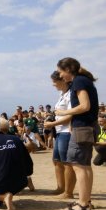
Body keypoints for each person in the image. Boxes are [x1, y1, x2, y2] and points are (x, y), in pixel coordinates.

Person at [56, 57, 98, 210]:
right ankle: (85, 200)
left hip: (82, 128)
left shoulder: (79, 82)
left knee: (78, 165)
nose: (60, 76)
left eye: (61, 72)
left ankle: (83, 203)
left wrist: (63, 112)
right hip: (87, 127)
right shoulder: (83, 80)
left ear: (68, 70)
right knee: (84, 165)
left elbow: (85, 106)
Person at [44, 71, 76, 199]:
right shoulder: (62, 94)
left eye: (54, 81)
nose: (53, 84)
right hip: (59, 131)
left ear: (62, 80)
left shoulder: (71, 94)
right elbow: (61, 112)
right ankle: (60, 187)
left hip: (66, 131)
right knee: (56, 161)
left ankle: (68, 192)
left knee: (67, 162)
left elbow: (70, 115)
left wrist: (52, 124)